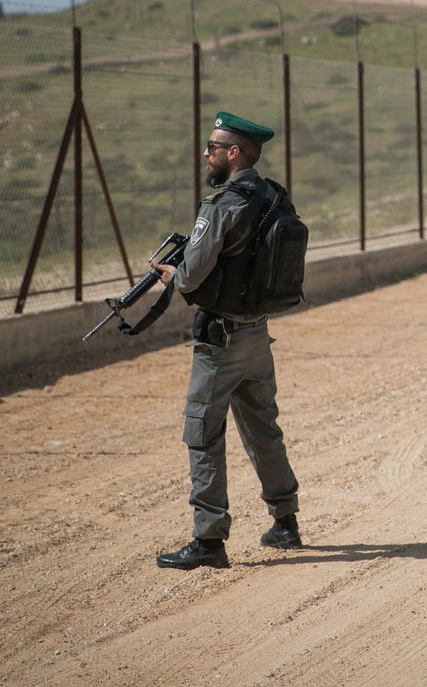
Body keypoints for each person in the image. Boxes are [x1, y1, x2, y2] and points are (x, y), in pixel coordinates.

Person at [150, 112, 303, 570]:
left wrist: (172, 275)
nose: (206, 154)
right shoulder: (273, 194)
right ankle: (285, 522)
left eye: (212, 147)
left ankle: (209, 540)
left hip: (220, 342)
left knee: (203, 432)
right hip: (257, 334)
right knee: (263, 430)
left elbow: (193, 274)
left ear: (233, 152)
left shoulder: (221, 204)